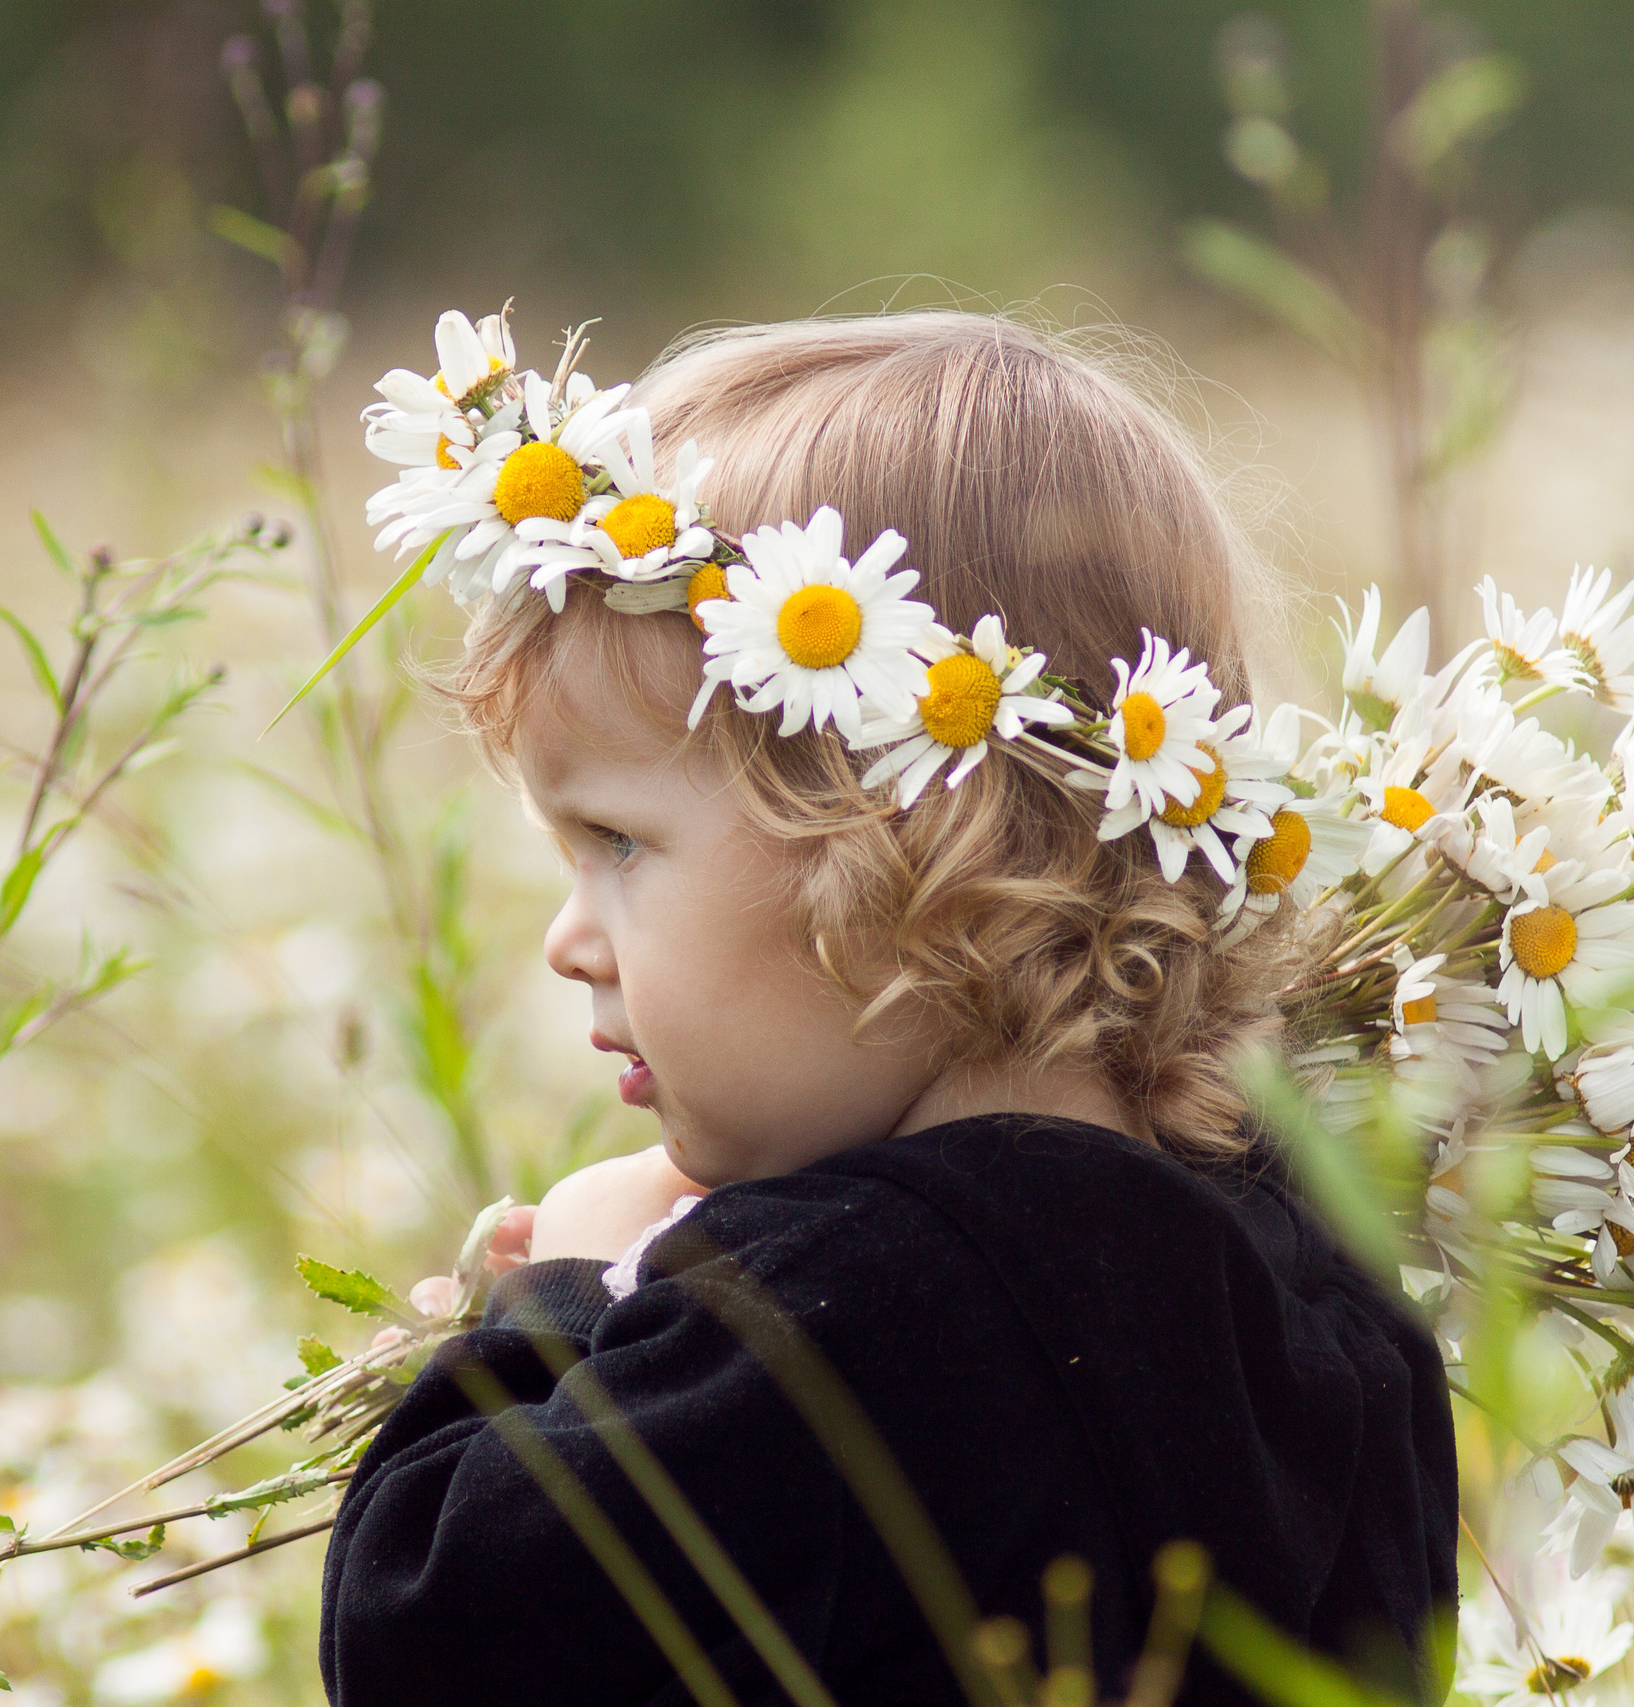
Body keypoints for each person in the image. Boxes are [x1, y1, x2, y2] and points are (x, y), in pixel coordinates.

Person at [318, 311, 1458, 1705]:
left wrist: (553, 1311)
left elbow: (426, 1640)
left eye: (616, 843)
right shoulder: (1317, 1275)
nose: (570, 941)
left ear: (913, 841)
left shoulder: (835, 1319)